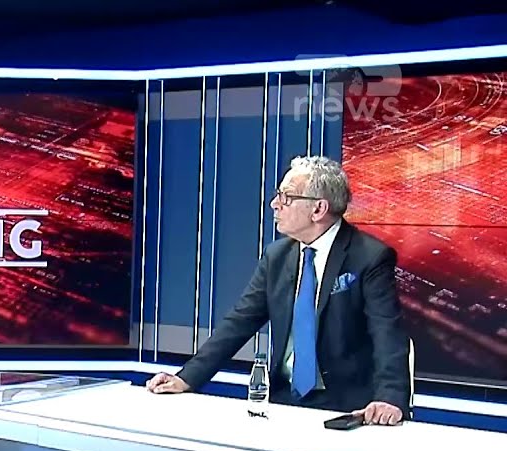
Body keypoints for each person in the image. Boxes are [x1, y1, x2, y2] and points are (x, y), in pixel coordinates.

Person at [145, 155, 411, 425]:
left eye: (287, 197)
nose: (275, 204)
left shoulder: (369, 257)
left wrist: (390, 397)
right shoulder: (277, 256)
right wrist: (187, 377)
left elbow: (387, 332)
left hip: (345, 406)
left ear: (318, 209)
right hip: (283, 399)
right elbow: (239, 322)